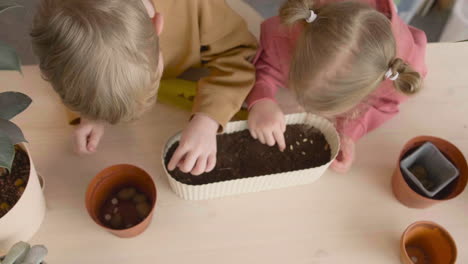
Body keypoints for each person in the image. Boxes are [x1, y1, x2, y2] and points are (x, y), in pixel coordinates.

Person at [31, 0, 257, 175]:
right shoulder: (61, 26)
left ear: (157, 24)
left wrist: (208, 119)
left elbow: (239, 53)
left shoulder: (194, 5)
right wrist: (92, 111)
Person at [246, 0, 427, 173]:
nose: (303, 107)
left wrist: (349, 133)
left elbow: (385, 103)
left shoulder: (395, 70)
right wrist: (262, 100)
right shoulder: (296, 27)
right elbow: (267, 64)